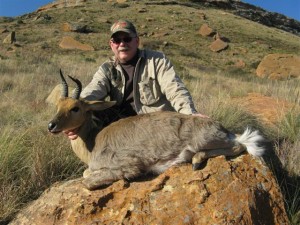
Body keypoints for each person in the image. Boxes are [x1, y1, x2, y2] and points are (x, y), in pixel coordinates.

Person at [65, 19, 207, 140]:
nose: (122, 44)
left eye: (127, 39)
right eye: (117, 40)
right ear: (111, 44)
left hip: (154, 125)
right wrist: (75, 116)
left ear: (137, 41)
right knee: (92, 112)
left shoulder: (157, 60)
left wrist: (190, 114)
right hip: (122, 126)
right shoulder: (107, 69)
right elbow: (93, 90)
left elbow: (174, 89)